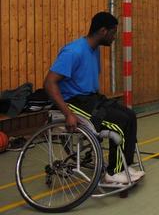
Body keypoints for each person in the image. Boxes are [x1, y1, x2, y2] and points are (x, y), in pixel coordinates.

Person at [44, 12, 144, 184]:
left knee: (130, 116)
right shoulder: (73, 51)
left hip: (90, 99)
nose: (114, 38)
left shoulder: (94, 50)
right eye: (113, 33)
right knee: (118, 123)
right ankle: (112, 173)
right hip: (73, 101)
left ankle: (123, 165)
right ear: (103, 31)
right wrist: (67, 114)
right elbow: (49, 83)